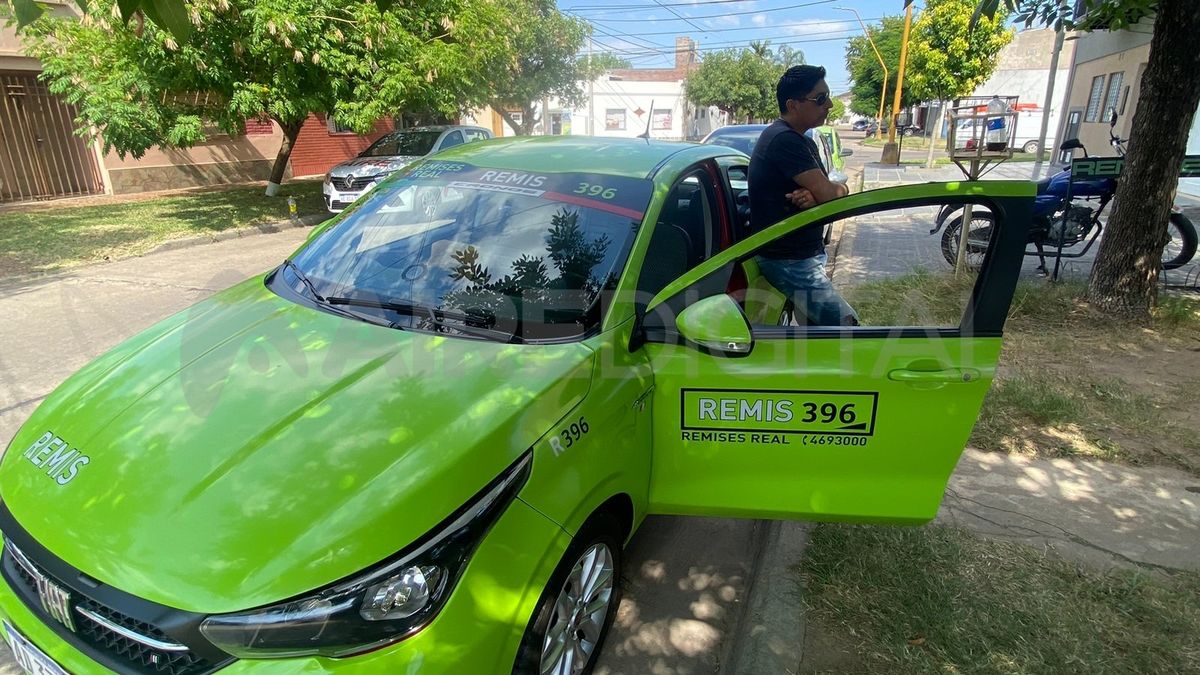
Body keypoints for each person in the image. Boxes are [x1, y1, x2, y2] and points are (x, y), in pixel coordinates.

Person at [748, 65, 858, 326]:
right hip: (790, 262)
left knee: (816, 341)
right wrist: (828, 192)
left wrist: (821, 193)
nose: (829, 104)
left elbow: (828, 191)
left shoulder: (803, 140)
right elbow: (832, 194)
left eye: (828, 96)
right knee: (849, 328)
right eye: (820, 99)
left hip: (803, 256)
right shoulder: (784, 140)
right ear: (793, 104)